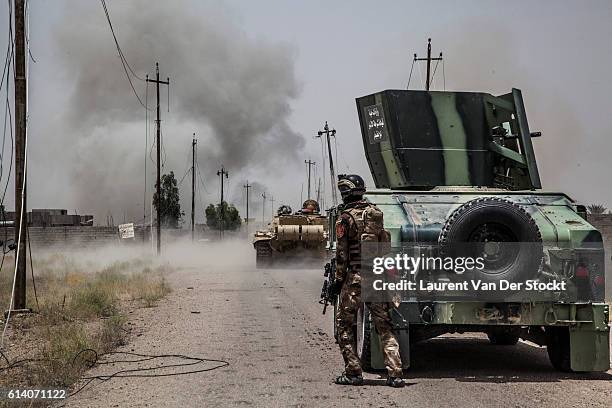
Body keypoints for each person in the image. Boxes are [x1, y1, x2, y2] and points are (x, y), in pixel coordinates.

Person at [332, 174, 405, 387]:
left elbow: (342, 254)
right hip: (376, 277)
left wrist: (337, 281)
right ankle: (395, 374)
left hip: (355, 277)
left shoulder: (345, 218)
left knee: (343, 325)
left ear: (346, 193)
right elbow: (384, 245)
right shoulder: (375, 213)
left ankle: (354, 372)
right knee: (385, 327)